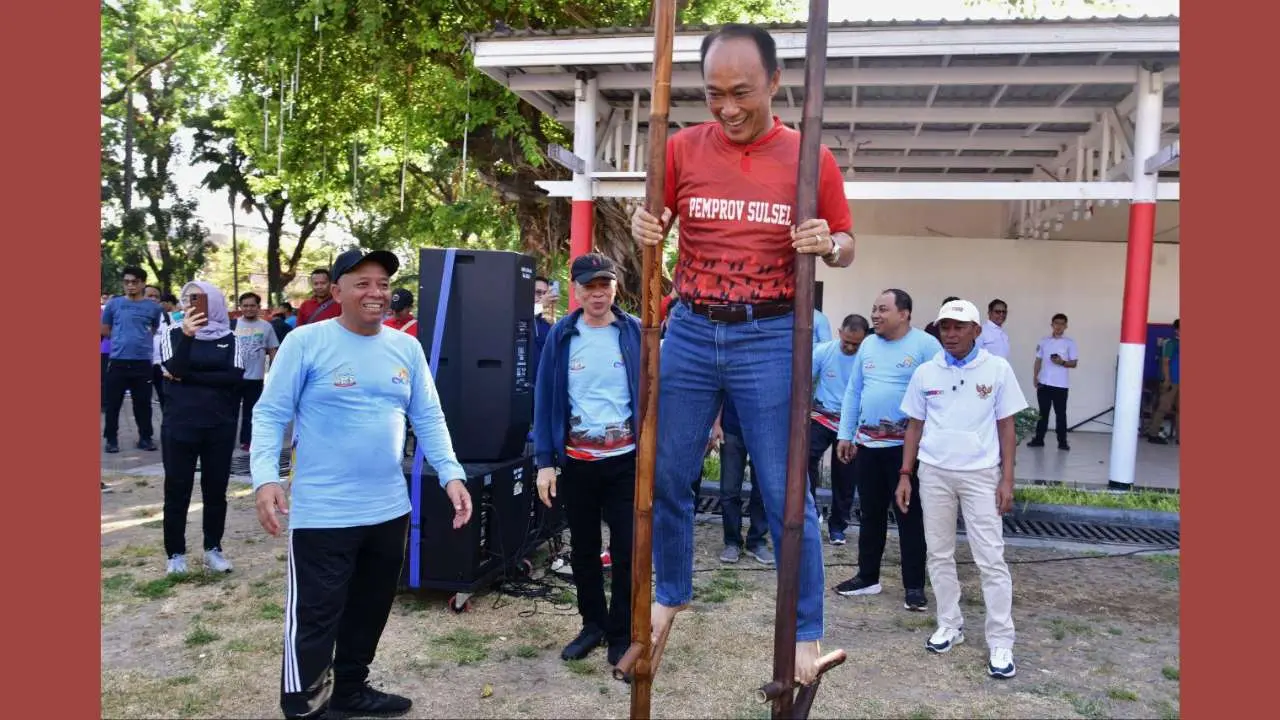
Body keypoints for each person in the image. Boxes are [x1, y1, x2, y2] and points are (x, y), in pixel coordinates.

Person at [629, 23, 855, 682]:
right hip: (693, 331)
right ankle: (669, 593)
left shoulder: (810, 156)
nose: (727, 107)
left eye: (741, 92)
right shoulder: (677, 148)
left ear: (775, 84)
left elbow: (845, 242)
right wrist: (647, 223)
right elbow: (655, 221)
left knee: (787, 492)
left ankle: (806, 634)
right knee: (667, 475)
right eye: (714, 93)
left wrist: (828, 244)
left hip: (772, 334)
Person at [250, 248, 474, 720]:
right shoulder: (306, 342)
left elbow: (428, 416)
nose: (376, 293)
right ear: (336, 292)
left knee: (369, 610)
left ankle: (350, 689)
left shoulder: (405, 348)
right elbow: (271, 413)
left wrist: (451, 473)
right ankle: (305, 706)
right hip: (324, 513)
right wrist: (265, 477)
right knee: (315, 617)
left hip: (389, 510)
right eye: (362, 283)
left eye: (383, 284)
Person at [895, 298, 1027, 679]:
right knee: (938, 554)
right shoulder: (926, 372)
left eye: (958, 327)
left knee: (991, 559)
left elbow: (1007, 428)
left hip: (981, 474)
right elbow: (914, 427)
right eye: (944, 328)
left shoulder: (997, 369)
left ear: (976, 331)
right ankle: (949, 624)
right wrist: (906, 473)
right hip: (933, 472)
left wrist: (1007, 479)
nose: (950, 334)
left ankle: (1001, 641)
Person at [533, 253, 639, 667]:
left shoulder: (632, 332)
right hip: (577, 463)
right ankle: (592, 623)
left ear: (615, 288)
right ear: (575, 290)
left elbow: (651, 391)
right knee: (584, 549)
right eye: (589, 287)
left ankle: (620, 629)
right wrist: (545, 460)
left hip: (625, 462)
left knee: (628, 550)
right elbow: (544, 400)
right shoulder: (562, 335)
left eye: (604, 285)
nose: (597, 294)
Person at [834, 289, 941, 612]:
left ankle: (914, 587)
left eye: (883, 309)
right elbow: (854, 391)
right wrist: (845, 434)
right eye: (874, 309)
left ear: (904, 313)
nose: (876, 315)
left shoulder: (925, 346)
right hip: (867, 446)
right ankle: (868, 577)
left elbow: (939, 395)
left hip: (905, 450)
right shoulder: (868, 344)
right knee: (870, 514)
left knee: (909, 517)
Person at [158, 281, 246, 575]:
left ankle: (213, 548)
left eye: (197, 299)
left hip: (219, 427)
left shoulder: (231, 337)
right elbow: (175, 368)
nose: (190, 304)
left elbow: (234, 377)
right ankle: (175, 554)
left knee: (215, 490)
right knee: (177, 490)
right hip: (179, 425)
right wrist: (187, 336)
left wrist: (186, 378)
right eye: (186, 300)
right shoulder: (172, 333)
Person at [810, 314, 869, 545]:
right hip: (822, 416)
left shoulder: (867, 358)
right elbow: (805, 380)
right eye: (847, 341)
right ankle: (811, 511)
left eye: (856, 344)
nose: (850, 347)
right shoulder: (824, 351)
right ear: (839, 332)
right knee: (805, 458)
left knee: (845, 475)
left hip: (852, 422)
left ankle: (838, 526)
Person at [101, 266, 164, 453]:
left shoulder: (153, 308)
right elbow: (105, 330)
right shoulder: (114, 304)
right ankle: (111, 439)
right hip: (118, 360)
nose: (130, 285)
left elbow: (154, 329)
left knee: (143, 403)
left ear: (143, 283)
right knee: (113, 403)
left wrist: (138, 341)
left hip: (142, 362)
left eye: (134, 282)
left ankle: (145, 438)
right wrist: (122, 339)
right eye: (127, 282)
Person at [233, 292, 280, 452]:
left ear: (258, 307)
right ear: (240, 307)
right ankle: (226, 439)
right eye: (245, 305)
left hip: (256, 377)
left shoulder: (266, 326)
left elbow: (273, 349)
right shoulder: (232, 325)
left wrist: (274, 372)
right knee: (229, 409)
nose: (249, 308)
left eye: (252, 305)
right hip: (234, 376)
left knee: (251, 411)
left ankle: (247, 440)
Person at [1027, 313, 1079, 450]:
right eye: (1056, 323)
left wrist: (1061, 362)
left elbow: (1074, 363)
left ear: (1066, 326)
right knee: (1042, 413)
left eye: (1062, 323)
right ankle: (1039, 439)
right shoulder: (1043, 341)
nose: (1059, 326)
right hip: (1044, 383)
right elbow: (1038, 360)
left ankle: (1062, 442)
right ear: (1052, 325)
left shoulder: (1070, 343)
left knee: (1060, 414)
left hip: (1061, 385)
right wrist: (1035, 376)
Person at [1146, 318, 1179, 444]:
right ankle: (1153, 434)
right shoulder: (1171, 343)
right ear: (1177, 330)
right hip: (1172, 381)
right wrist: (1167, 380)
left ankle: (1179, 438)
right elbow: (1165, 362)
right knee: (1163, 407)